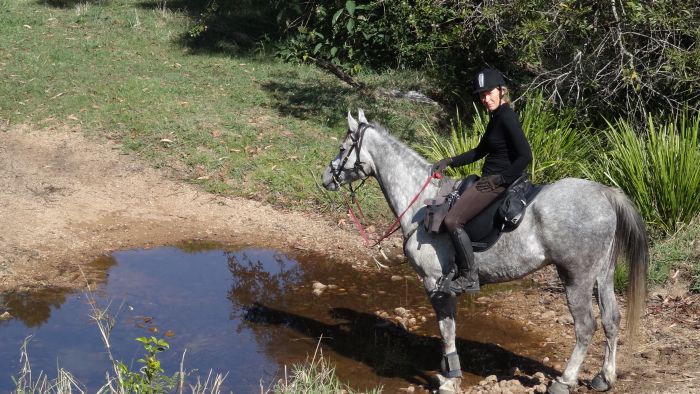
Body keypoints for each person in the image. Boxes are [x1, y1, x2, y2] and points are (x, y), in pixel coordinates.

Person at [431, 69, 532, 295]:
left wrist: (501, 179)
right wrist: (450, 161)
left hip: (497, 182)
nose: (486, 99)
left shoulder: (507, 117)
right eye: (482, 95)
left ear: (501, 91)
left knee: (452, 220)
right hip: (491, 179)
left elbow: (526, 155)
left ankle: (469, 276)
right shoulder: (496, 118)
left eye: (489, 93)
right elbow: (480, 151)